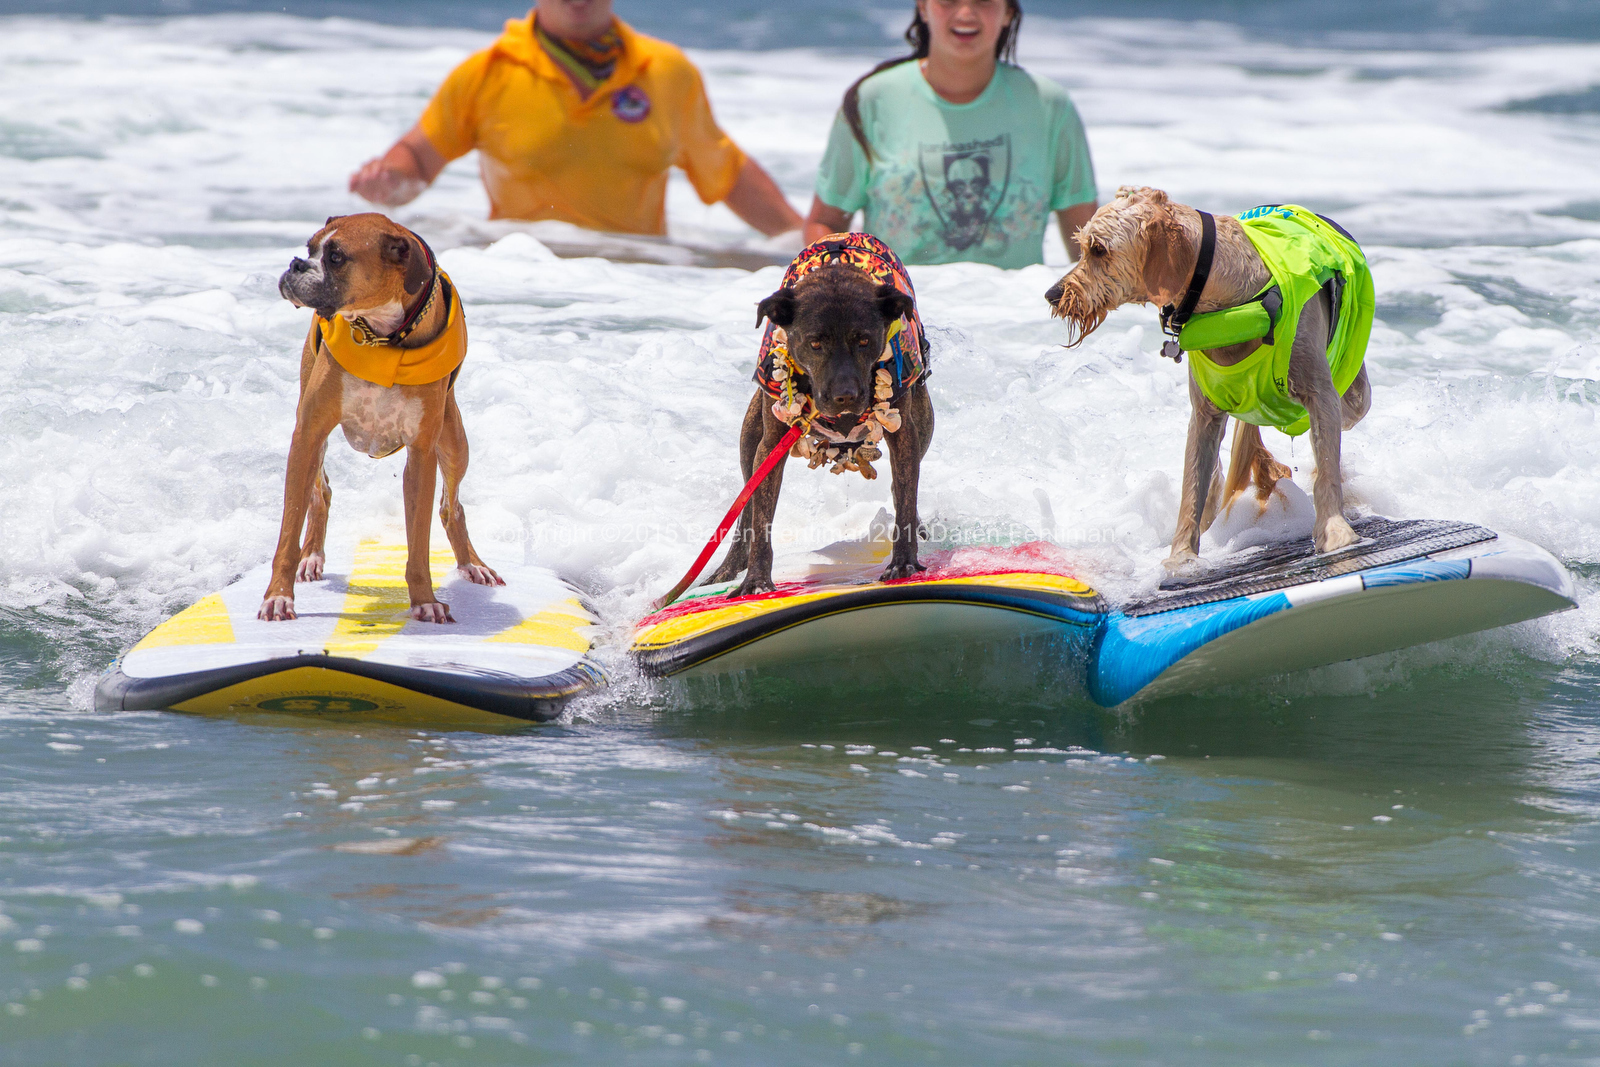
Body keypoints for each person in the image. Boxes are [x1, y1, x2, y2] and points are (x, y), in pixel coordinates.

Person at [349, 0, 801, 239]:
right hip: (523, 281)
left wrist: (805, 240)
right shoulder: (487, 72)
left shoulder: (668, 72)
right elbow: (419, 157)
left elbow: (727, 172)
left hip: (641, 286)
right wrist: (390, 178)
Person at [805, 0, 1098, 269]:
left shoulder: (1049, 106)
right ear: (923, 6)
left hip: (1016, 315)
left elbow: (1091, 249)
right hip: (902, 318)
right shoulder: (871, 101)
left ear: (1008, 10)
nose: (966, 13)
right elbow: (824, 224)